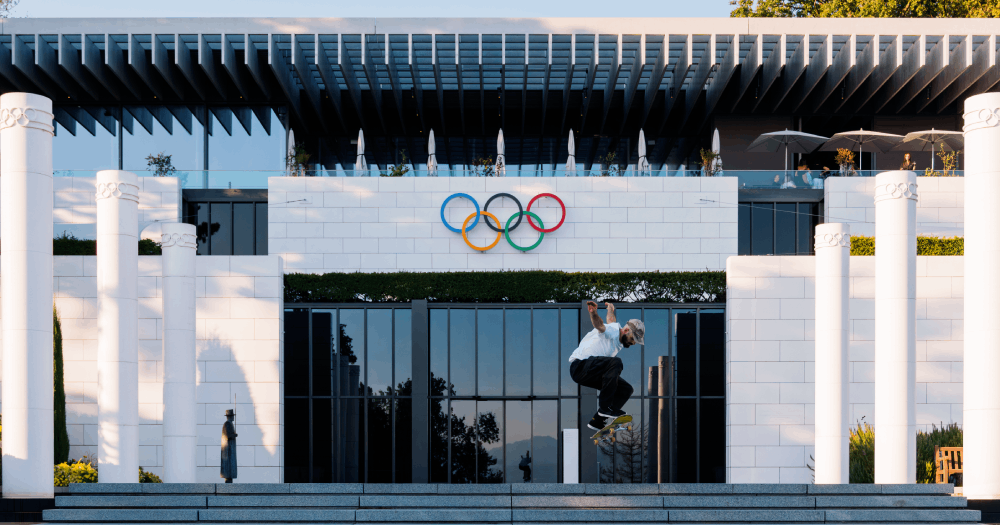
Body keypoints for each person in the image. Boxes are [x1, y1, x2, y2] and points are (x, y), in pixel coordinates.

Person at [568, 301, 646, 431]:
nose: (633, 343)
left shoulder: (617, 333)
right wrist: (593, 313)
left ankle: (597, 421)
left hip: (592, 372)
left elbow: (611, 319)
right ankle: (605, 408)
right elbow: (600, 326)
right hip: (580, 366)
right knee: (615, 362)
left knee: (626, 389)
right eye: (633, 339)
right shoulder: (613, 331)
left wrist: (610, 309)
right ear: (626, 330)